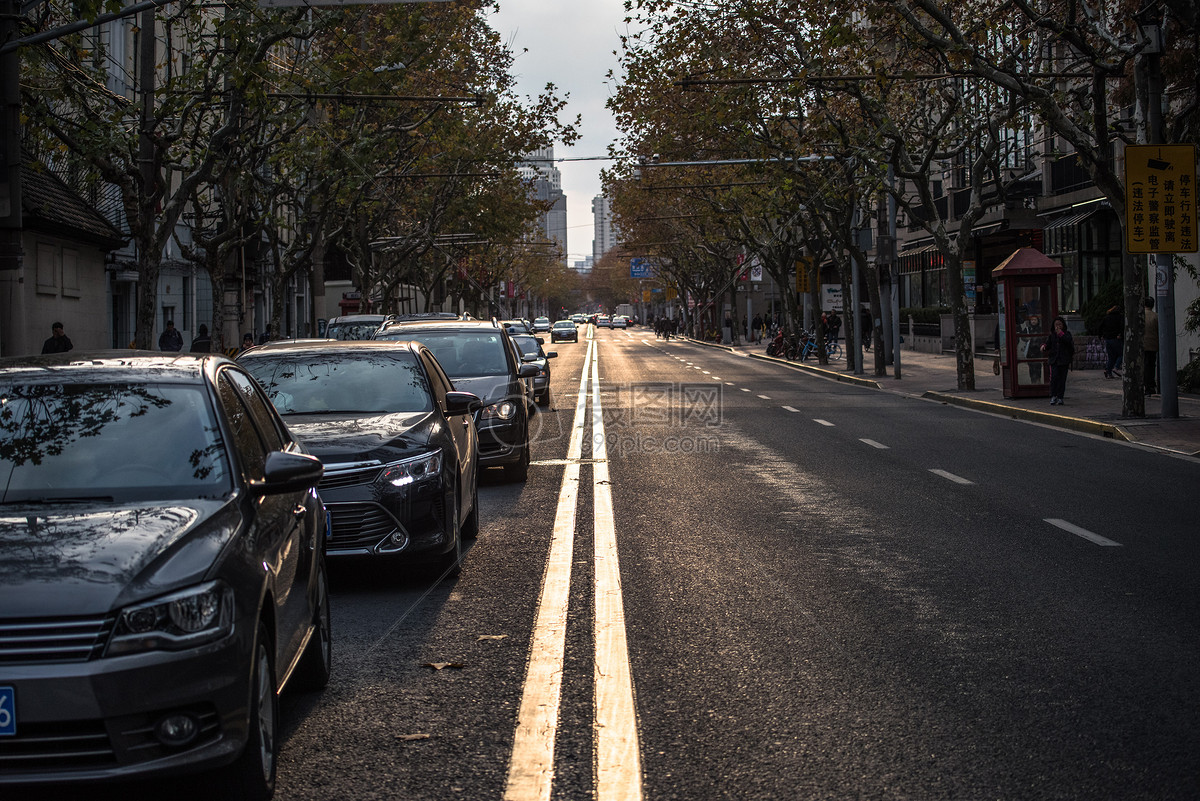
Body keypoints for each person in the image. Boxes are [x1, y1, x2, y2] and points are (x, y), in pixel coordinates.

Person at [1041, 316, 1074, 406]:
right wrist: (1044, 347)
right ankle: (1053, 395)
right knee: (1054, 378)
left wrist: (1061, 334)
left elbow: (1069, 342)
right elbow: (1048, 345)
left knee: (1062, 379)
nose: (1058, 327)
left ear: (1063, 325)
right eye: (1056, 325)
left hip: (1064, 360)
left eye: (1059, 324)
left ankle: (1060, 397)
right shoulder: (1052, 335)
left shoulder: (1067, 334)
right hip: (1054, 360)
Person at [1098, 304, 1122, 378]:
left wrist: (1100, 336)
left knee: (1111, 356)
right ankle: (1116, 367)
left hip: (1108, 338)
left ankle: (1108, 371)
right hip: (1115, 338)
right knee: (1122, 354)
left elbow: (1100, 327)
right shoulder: (1120, 317)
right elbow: (1122, 327)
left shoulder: (1107, 318)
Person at [1143, 298, 1159, 396]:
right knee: (1151, 366)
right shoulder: (1155, 316)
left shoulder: (1139, 315)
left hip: (1142, 345)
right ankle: (1150, 385)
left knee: (1144, 366)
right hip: (1153, 345)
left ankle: (1146, 385)